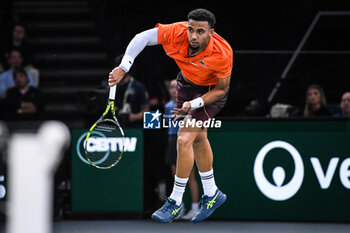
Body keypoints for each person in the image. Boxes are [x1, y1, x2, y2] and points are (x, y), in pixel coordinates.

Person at [108, 9, 232, 223]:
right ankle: (212, 193)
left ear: (211, 32)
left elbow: (221, 89)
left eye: (200, 32)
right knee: (199, 138)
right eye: (191, 29)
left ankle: (175, 201)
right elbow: (143, 38)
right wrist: (124, 66)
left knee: (183, 138)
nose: (193, 36)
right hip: (186, 84)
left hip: (210, 93)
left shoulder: (222, 52)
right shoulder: (177, 32)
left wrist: (193, 104)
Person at [164, 79, 199, 220]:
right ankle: (180, 208)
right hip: (173, 140)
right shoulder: (167, 106)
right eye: (171, 87)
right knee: (176, 178)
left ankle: (195, 209)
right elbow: (168, 123)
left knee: (190, 177)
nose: (173, 90)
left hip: (187, 140)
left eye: (176, 87)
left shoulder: (190, 105)